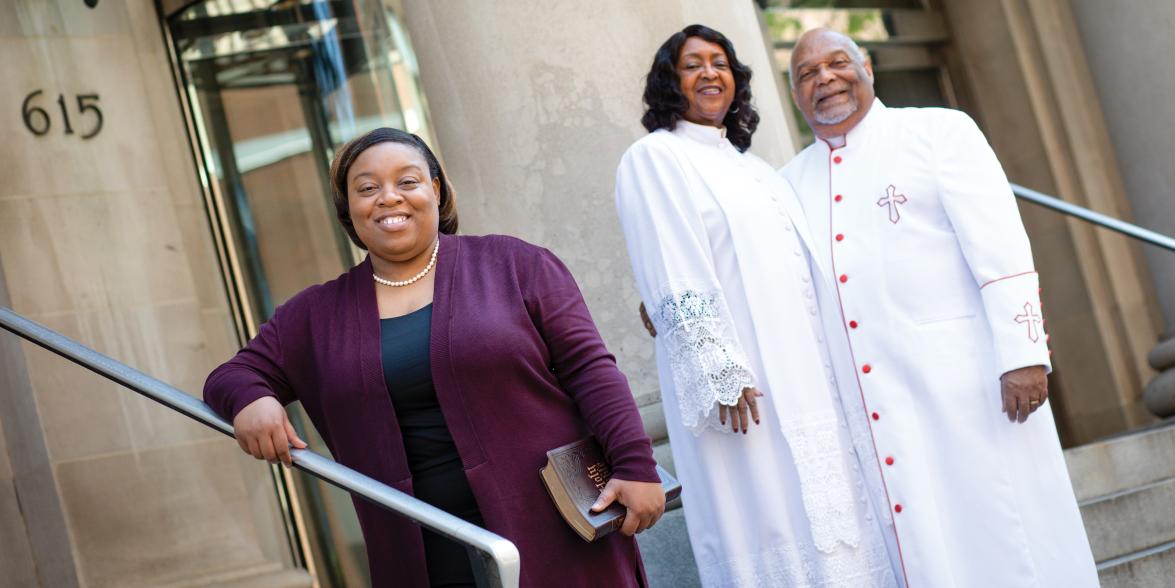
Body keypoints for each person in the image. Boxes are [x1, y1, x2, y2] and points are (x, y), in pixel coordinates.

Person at [204, 128, 665, 588]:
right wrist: (251, 399)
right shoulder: (314, 315)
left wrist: (635, 465)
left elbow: (590, 369)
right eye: (367, 188)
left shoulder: (516, 264)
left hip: (555, 533)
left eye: (407, 182)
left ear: (436, 190)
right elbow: (232, 375)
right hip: (422, 554)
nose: (389, 198)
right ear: (348, 208)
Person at [779, 28, 1099, 587]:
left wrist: (1023, 355)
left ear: (868, 69)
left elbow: (1000, 245)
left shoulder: (937, 131)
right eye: (806, 74)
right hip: (875, 404)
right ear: (796, 96)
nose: (824, 78)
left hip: (971, 385)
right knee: (927, 542)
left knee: (1008, 528)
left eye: (836, 63)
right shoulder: (789, 183)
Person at [615, 25, 899, 587]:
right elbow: (672, 269)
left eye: (719, 62)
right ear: (669, 82)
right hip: (743, 389)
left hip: (809, 381)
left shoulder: (757, 169)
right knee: (769, 513)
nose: (709, 73)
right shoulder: (655, 158)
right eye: (692, 64)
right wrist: (719, 370)